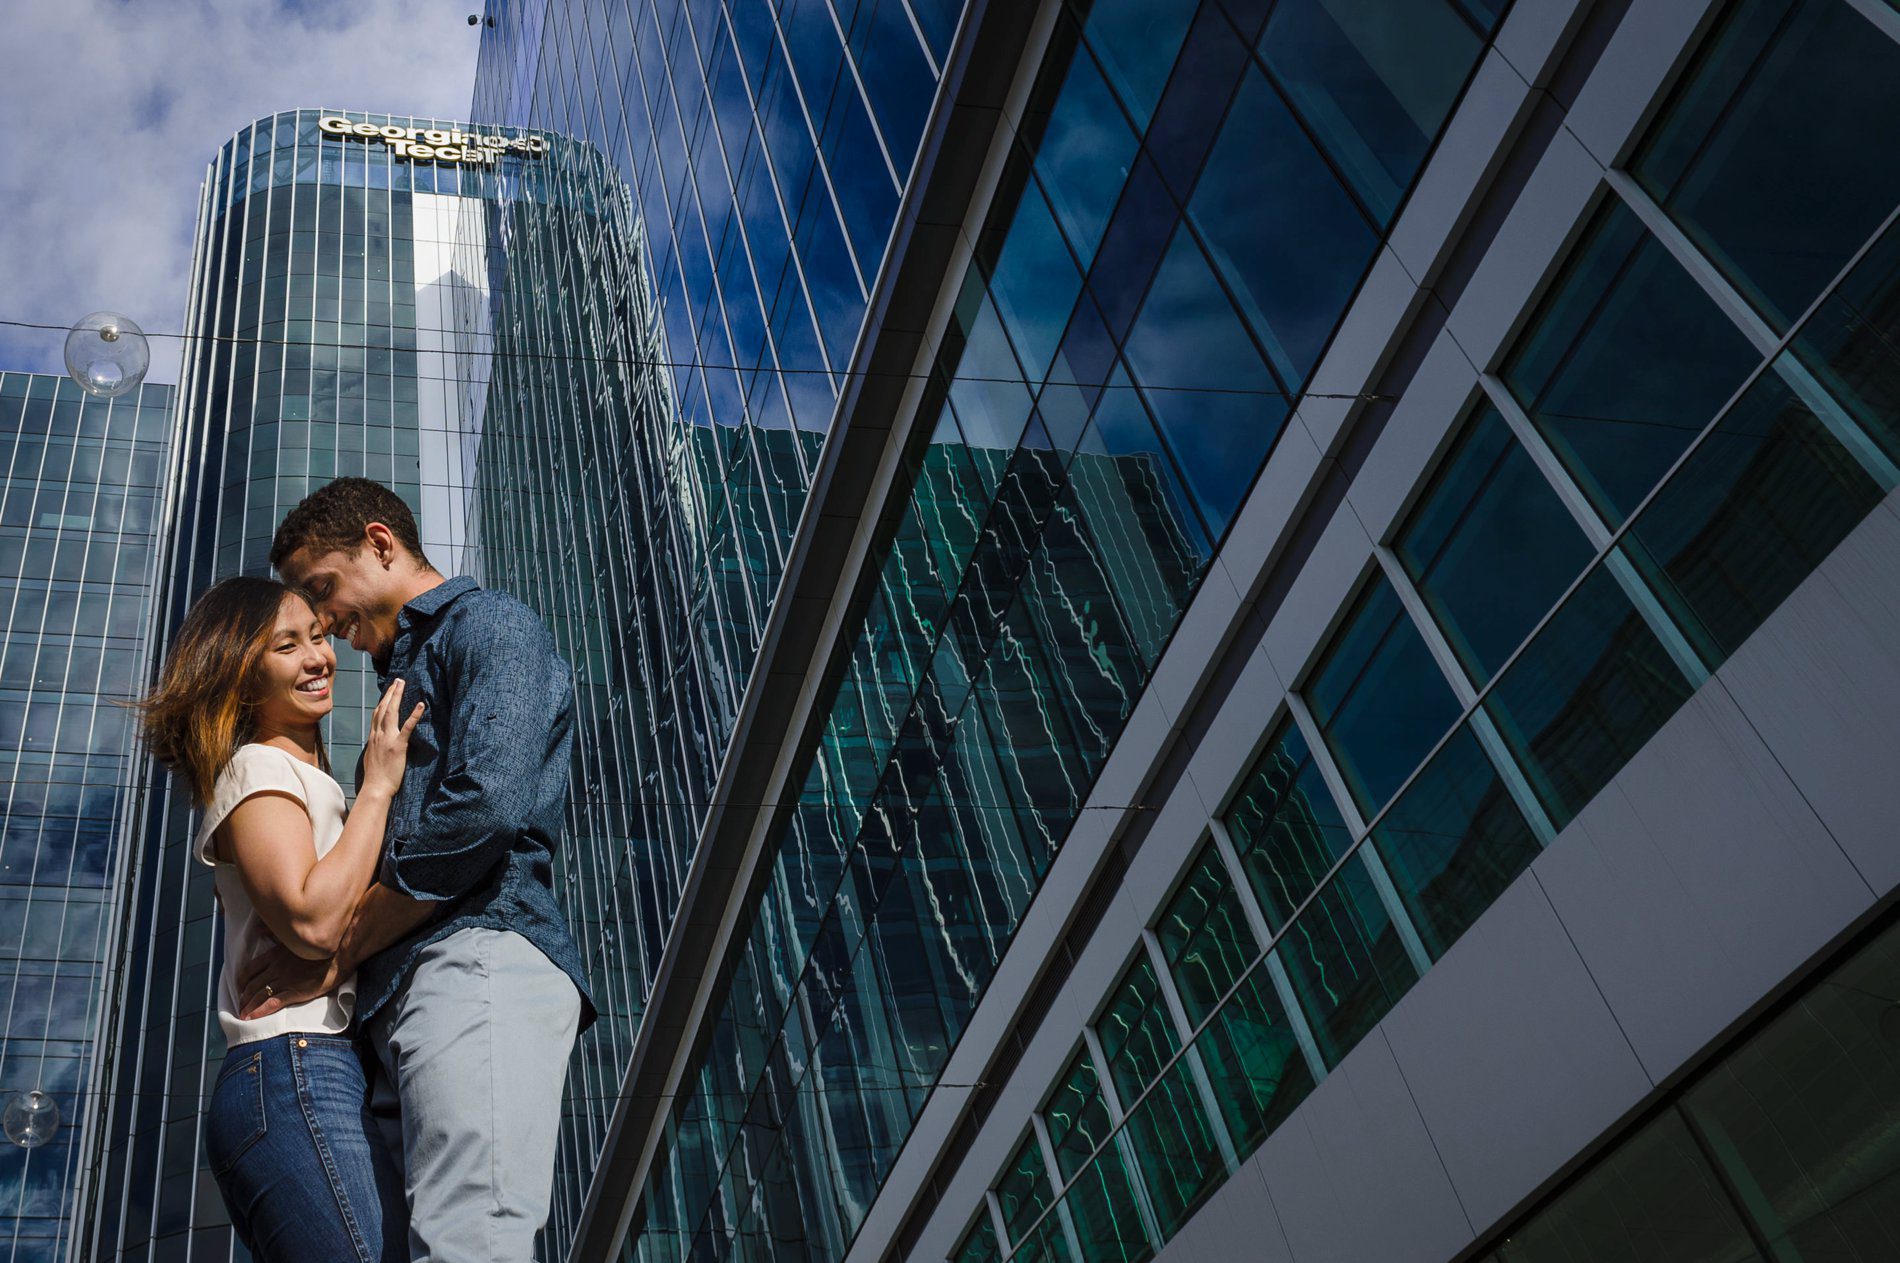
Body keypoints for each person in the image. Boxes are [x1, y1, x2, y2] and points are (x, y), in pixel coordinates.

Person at [240, 477, 596, 1263]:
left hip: (477, 954)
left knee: (470, 1243)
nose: (326, 623)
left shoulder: (490, 623)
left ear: (379, 542)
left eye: (322, 589)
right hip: (406, 992)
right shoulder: (400, 681)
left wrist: (339, 950)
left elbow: (483, 808)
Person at [137, 575, 420, 1262]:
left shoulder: (300, 779)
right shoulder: (255, 769)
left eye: (318, 638)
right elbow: (313, 920)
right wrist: (380, 787)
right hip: (294, 1066)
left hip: (310, 1072)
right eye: (286, 646)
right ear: (239, 673)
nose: (318, 657)